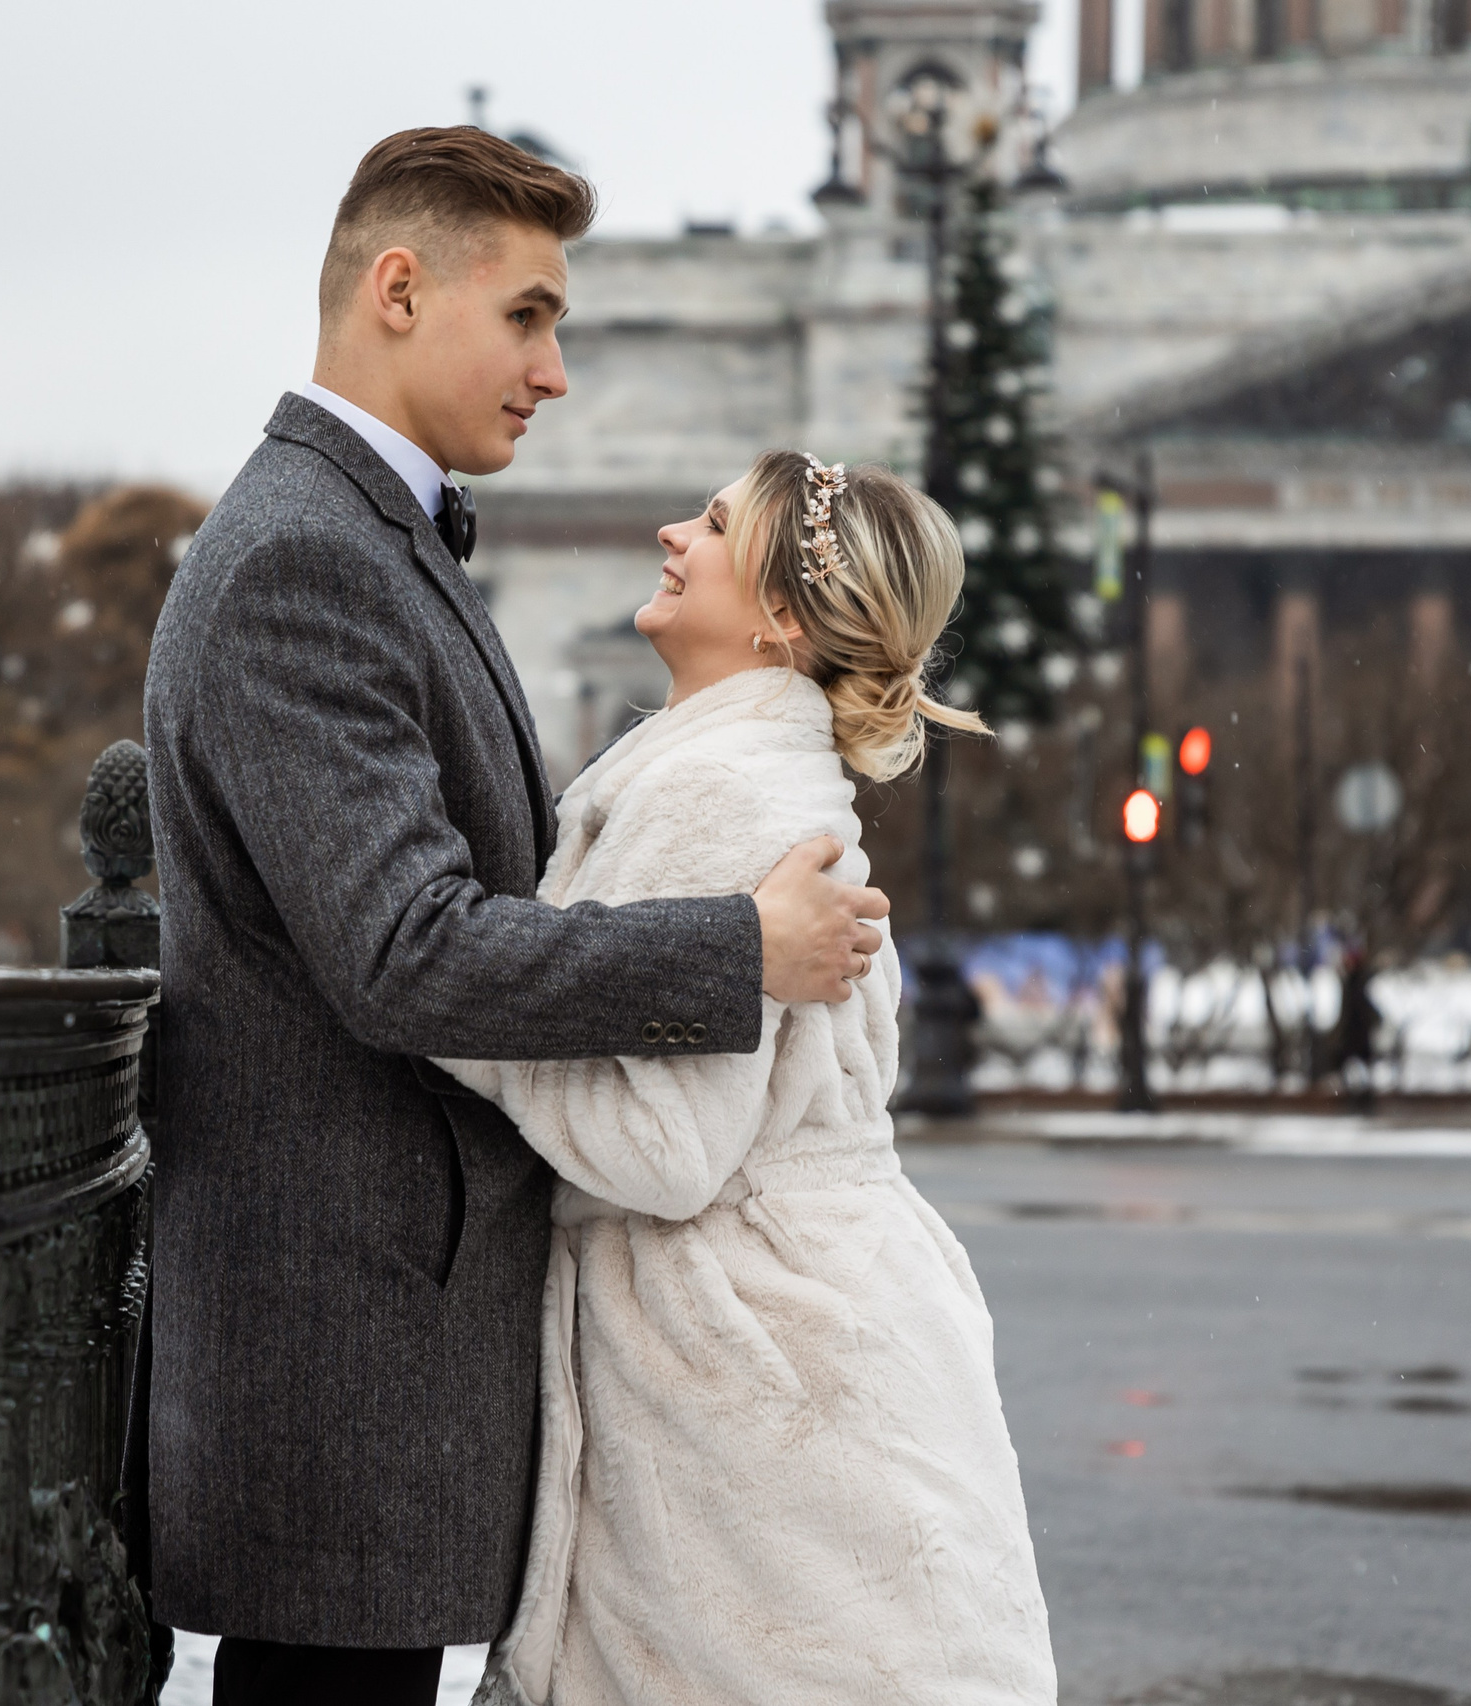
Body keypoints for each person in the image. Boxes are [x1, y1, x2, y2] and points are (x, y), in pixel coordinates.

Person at [141, 129, 891, 1706]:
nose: (554, 371)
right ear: (400, 291)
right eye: (531, 317)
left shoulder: (367, 538)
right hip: (351, 1333)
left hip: (382, 1328)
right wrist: (733, 950)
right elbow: (405, 947)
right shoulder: (305, 557)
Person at [440, 453, 1057, 1706]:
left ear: (781, 614)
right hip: (813, 1309)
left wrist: (445, 1009)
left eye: (714, 523)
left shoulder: (717, 788)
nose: (672, 531)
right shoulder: (745, 772)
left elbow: (661, 1147)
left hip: (741, 1345)